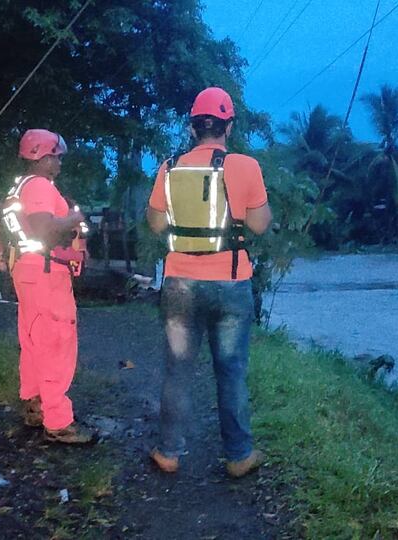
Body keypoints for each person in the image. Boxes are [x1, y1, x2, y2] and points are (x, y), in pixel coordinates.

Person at [145, 87, 272, 477]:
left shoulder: (169, 167)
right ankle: (238, 456)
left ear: (193, 127)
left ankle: (168, 452)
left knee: (177, 369)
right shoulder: (245, 167)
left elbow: (156, 223)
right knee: (231, 371)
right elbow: (258, 224)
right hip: (232, 282)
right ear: (227, 126)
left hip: (180, 283)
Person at [1, 128, 94, 444]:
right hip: (46, 274)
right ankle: (59, 421)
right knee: (56, 342)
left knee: (33, 339)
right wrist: (75, 217)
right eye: (56, 156)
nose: (60, 162)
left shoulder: (24, 186)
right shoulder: (39, 185)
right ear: (42, 156)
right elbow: (42, 228)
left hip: (29, 271)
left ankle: (35, 405)